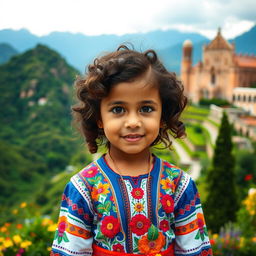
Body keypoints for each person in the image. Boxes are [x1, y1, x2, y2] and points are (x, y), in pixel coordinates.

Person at [51, 45, 212, 256]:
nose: (133, 122)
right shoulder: (83, 188)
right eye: (118, 110)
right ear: (99, 118)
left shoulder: (179, 185)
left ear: (162, 116)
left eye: (146, 109)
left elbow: (196, 251)